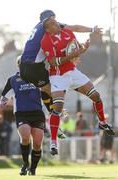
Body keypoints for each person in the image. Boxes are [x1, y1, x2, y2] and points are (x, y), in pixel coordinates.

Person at [41, 17, 115, 155]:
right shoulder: (46, 40)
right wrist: (73, 55)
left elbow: (75, 52)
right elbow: (52, 62)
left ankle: (102, 122)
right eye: (52, 24)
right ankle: (53, 142)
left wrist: (83, 48)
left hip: (73, 72)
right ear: (47, 29)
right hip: (57, 75)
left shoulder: (67, 32)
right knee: (57, 107)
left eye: (55, 21)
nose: (56, 24)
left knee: (96, 96)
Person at [19, 10, 102, 113]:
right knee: (53, 90)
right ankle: (56, 113)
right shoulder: (49, 26)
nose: (57, 22)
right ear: (49, 18)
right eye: (54, 19)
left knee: (47, 87)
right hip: (33, 67)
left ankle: (53, 112)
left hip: (26, 66)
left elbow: (57, 48)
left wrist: (73, 55)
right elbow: (75, 28)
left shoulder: (38, 28)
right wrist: (92, 29)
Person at [0, 72, 46, 176]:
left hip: (37, 113)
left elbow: (47, 91)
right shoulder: (12, 80)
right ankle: (25, 163)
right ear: (19, 65)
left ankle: (33, 169)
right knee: (25, 137)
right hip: (21, 113)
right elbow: (4, 97)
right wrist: (3, 103)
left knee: (37, 143)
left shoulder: (39, 76)